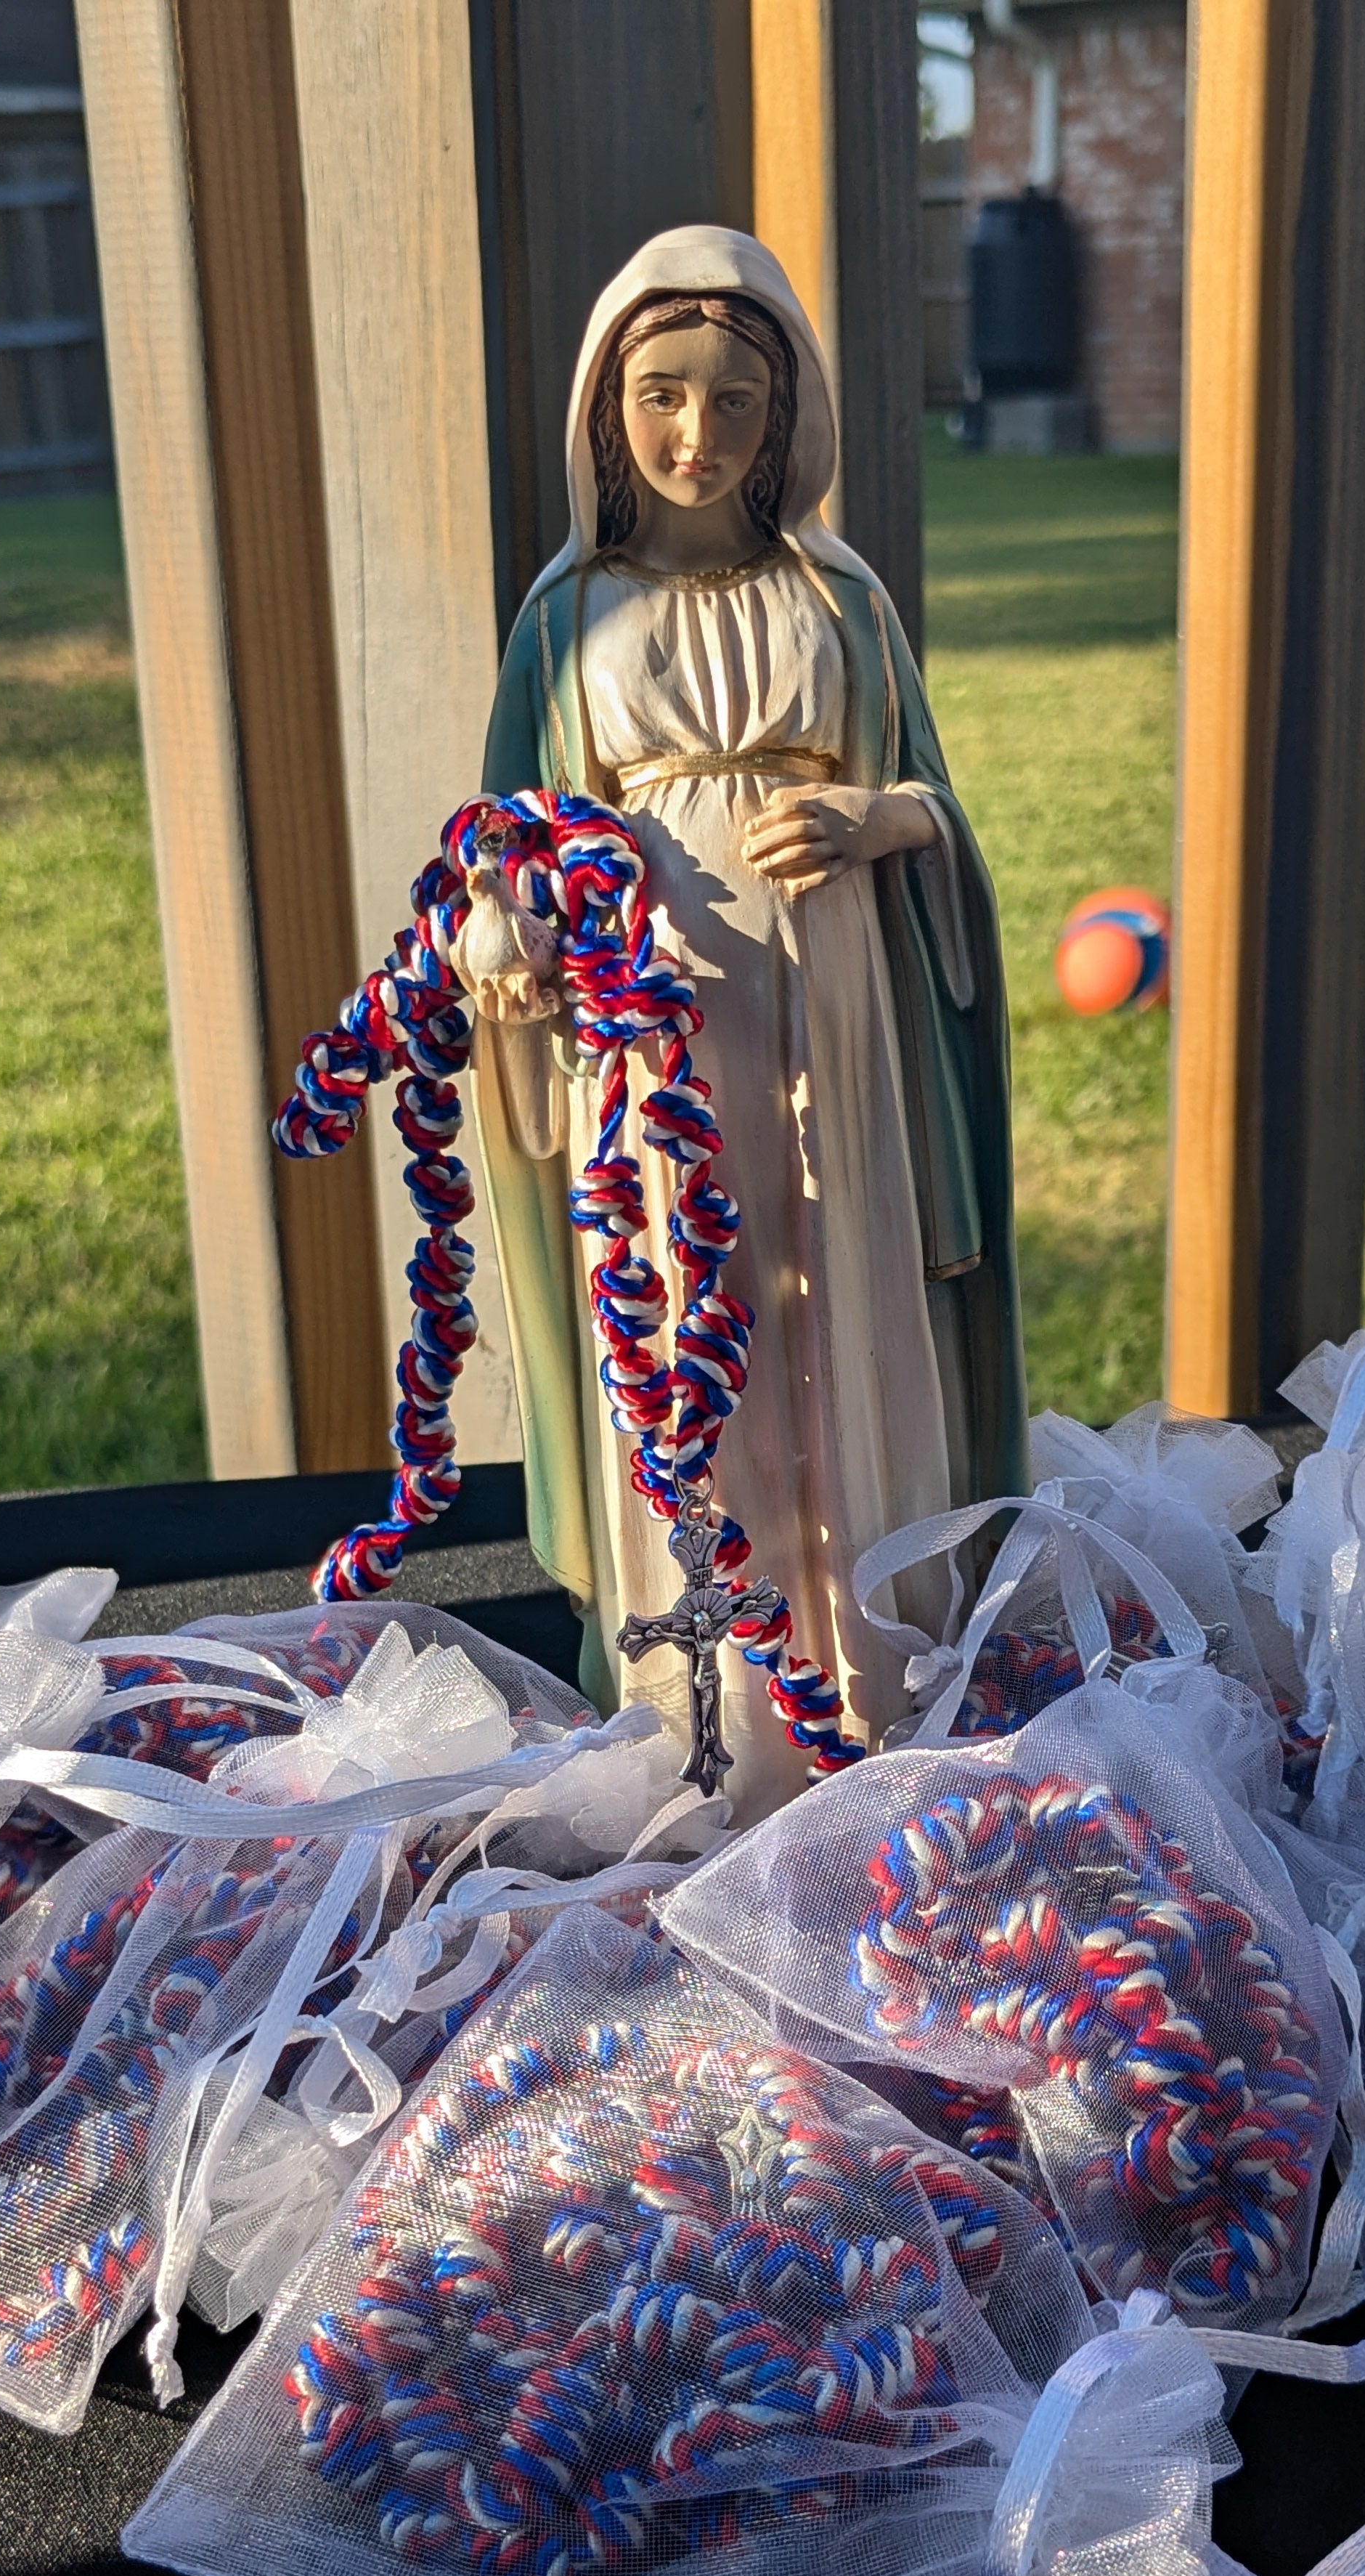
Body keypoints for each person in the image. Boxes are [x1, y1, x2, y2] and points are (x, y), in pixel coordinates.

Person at [461, 227, 1027, 1817]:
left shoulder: (839, 597)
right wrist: (512, 924)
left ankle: (869, 1659)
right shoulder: (565, 616)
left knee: (835, 1295)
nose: (697, 433)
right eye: (661, 395)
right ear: (606, 409)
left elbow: (937, 805)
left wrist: (871, 822)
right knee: (689, 1309)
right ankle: (699, 1689)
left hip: (832, 1020)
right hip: (654, 1036)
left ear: (789, 417)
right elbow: (511, 834)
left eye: (734, 398)